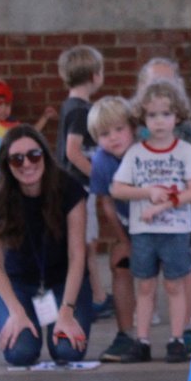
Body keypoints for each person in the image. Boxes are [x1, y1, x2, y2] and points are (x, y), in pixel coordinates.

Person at [111, 80, 191, 363]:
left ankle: (177, 338)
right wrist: (147, 193)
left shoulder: (185, 152)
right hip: (143, 231)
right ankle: (142, 340)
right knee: (145, 286)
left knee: (175, 284)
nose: (159, 121)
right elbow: (117, 188)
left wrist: (165, 204)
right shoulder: (136, 153)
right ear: (143, 118)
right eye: (152, 115)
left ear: (177, 116)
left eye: (166, 114)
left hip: (175, 230)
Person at [0, 125, 92, 367]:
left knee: (67, 352)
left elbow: (77, 254)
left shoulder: (68, 188)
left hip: (64, 281)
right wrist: (15, 310)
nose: (27, 164)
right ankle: (23, 317)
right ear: (6, 165)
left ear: (44, 155)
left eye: (34, 155)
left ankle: (63, 316)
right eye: (16, 159)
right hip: (20, 283)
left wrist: (66, 311)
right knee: (19, 354)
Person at [137, 56, 191, 328]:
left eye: (166, 81)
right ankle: (148, 311)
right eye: (154, 81)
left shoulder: (186, 128)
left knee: (182, 265)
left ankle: (187, 313)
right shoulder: (139, 127)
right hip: (144, 207)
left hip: (178, 206)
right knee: (145, 267)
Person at [55, 45, 113, 320]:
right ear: (93, 75)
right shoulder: (80, 111)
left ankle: (97, 294)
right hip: (79, 188)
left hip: (77, 187)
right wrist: (98, 176)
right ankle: (96, 297)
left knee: (87, 243)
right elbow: (72, 151)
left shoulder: (71, 106)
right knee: (86, 243)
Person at [86, 96, 139, 363]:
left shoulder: (146, 150)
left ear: (132, 127)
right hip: (128, 224)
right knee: (120, 265)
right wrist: (122, 239)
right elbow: (106, 204)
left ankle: (183, 331)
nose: (114, 138)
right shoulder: (102, 161)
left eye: (119, 129)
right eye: (105, 133)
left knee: (178, 272)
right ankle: (125, 332)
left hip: (162, 224)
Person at [0, 76, 54, 211]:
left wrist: (44, 118)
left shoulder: (13, 126)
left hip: (7, 170)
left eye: (7, 105)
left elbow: (30, 132)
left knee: (8, 205)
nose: (3, 109)